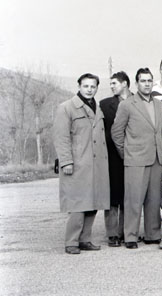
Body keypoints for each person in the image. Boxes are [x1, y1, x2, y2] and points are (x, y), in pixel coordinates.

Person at [53, 73, 110, 254]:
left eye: (93, 86)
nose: (89, 90)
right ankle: (71, 242)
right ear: (79, 86)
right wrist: (66, 162)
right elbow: (61, 138)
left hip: (96, 165)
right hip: (78, 164)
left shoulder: (97, 108)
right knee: (77, 204)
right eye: (86, 86)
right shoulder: (66, 108)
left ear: (97, 88)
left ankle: (85, 239)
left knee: (93, 202)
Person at [111, 68, 162, 248]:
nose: (147, 84)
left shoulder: (159, 104)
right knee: (133, 200)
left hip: (156, 158)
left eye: (150, 81)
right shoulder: (127, 105)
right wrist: (127, 153)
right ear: (136, 83)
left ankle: (152, 234)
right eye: (143, 81)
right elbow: (116, 132)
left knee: (154, 199)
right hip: (135, 159)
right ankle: (130, 237)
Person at [99, 71, 131, 247]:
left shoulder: (138, 101)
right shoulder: (104, 105)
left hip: (133, 154)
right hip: (111, 156)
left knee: (129, 194)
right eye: (110, 83)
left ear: (124, 83)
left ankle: (125, 231)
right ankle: (112, 234)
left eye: (114, 83)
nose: (111, 86)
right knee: (112, 195)